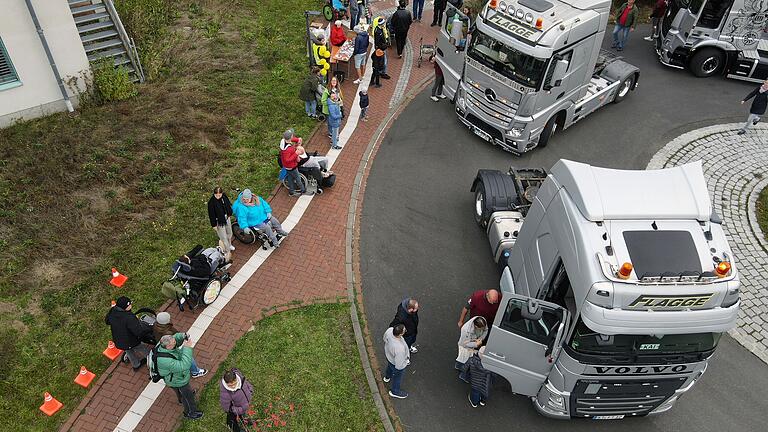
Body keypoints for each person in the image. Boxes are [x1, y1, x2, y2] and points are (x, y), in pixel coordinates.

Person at [156, 333, 203, 420]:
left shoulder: (163, 345)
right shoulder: (165, 360)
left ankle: (181, 399)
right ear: (168, 347)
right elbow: (184, 365)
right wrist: (187, 348)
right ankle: (190, 412)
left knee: (179, 392)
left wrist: (182, 336)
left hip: (172, 379)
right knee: (188, 397)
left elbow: (174, 338)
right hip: (178, 380)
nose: (175, 342)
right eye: (174, 342)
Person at [153, 312, 208, 378]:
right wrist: (185, 345)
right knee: (188, 357)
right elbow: (175, 342)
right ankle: (195, 372)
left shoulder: (156, 326)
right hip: (172, 349)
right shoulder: (168, 332)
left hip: (163, 345)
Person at [105, 296, 152, 370]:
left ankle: (136, 365)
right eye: (130, 304)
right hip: (130, 340)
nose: (131, 305)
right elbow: (138, 331)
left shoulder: (113, 311)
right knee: (141, 348)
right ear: (125, 307)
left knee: (129, 351)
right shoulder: (129, 317)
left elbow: (107, 321)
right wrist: (147, 330)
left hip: (119, 340)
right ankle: (152, 360)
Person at [220, 368, 254, 432]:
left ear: (236, 379)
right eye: (230, 385)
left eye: (234, 383)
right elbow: (227, 407)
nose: (233, 386)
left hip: (245, 404)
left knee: (244, 415)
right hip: (238, 410)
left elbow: (246, 383)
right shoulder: (225, 393)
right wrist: (239, 410)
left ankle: (245, 421)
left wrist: (250, 390)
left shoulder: (241, 379)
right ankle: (237, 430)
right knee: (234, 421)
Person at [455, 316, 487, 381]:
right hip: (465, 346)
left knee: (466, 359)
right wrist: (476, 344)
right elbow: (465, 343)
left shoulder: (483, 322)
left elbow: (485, 330)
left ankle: (459, 366)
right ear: (476, 326)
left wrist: (480, 339)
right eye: (481, 329)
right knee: (464, 357)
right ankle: (462, 373)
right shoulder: (465, 330)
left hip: (474, 343)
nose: (482, 330)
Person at [383, 323, 410, 399]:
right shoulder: (399, 349)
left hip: (389, 356)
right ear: (400, 334)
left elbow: (384, 338)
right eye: (404, 330)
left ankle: (387, 377)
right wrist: (401, 367)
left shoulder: (389, 330)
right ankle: (395, 391)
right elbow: (399, 363)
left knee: (390, 368)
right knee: (397, 377)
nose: (405, 331)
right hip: (396, 363)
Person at [279, 129, 306, 196]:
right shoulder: (289, 149)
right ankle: (303, 190)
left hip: (287, 166)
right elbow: (287, 159)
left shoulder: (283, 141)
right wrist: (296, 154)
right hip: (291, 166)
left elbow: (291, 139)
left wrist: (297, 140)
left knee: (290, 177)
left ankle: (291, 191)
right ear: (290, 137)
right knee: (298, 178)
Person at [208, 187, 235, 253]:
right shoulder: (211, 203)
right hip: (219, 221)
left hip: (226, 217)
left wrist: (229, 213)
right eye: (216, 195)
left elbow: (228, 205)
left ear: (222, 194)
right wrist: (214, 225)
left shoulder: (224, 197)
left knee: (229, 232)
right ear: (214, 194)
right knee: (223, 236)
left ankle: (229, 244)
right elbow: (211, 215)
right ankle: (226, 250)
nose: (218, 197)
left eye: (219, 195)